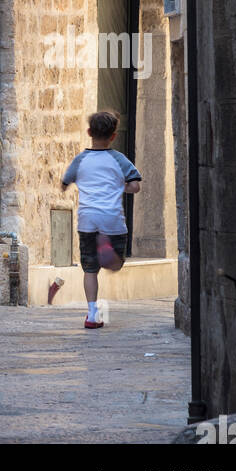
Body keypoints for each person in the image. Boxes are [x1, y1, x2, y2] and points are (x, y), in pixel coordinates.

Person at [61, 109, 142, 329]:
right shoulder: (118, 159)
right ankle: (107, 251)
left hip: (87, 220)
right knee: (116, 265)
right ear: (114, 135)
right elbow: (135, 186)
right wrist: (120, 185)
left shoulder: (81, 160)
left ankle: (92, 314)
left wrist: (72, 185)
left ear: (89, 132)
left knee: (89, 270)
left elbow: (64, 182)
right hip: (112, 221)